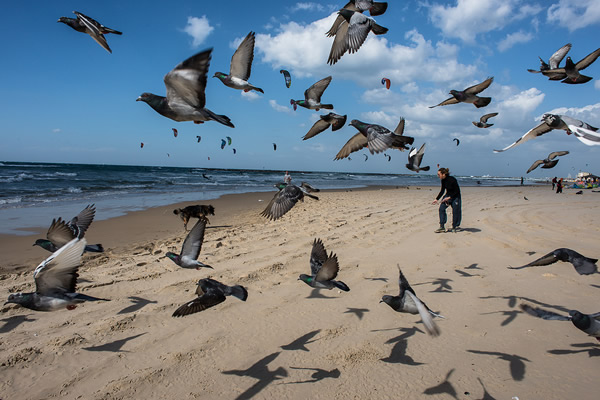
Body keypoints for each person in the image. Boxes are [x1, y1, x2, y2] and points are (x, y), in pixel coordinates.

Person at [432, 167, 461, 233]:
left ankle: (454, 227)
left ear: (444, 174)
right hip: (447, 196)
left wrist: (449, 197)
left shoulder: (452, 180)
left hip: (455, 196)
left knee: (455, 211)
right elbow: (442, 190)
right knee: (441, 209)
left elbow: (457, 191)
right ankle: (442, 226)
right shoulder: (443, 180)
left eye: (439, 174)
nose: (438, 176)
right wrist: (436, 199)